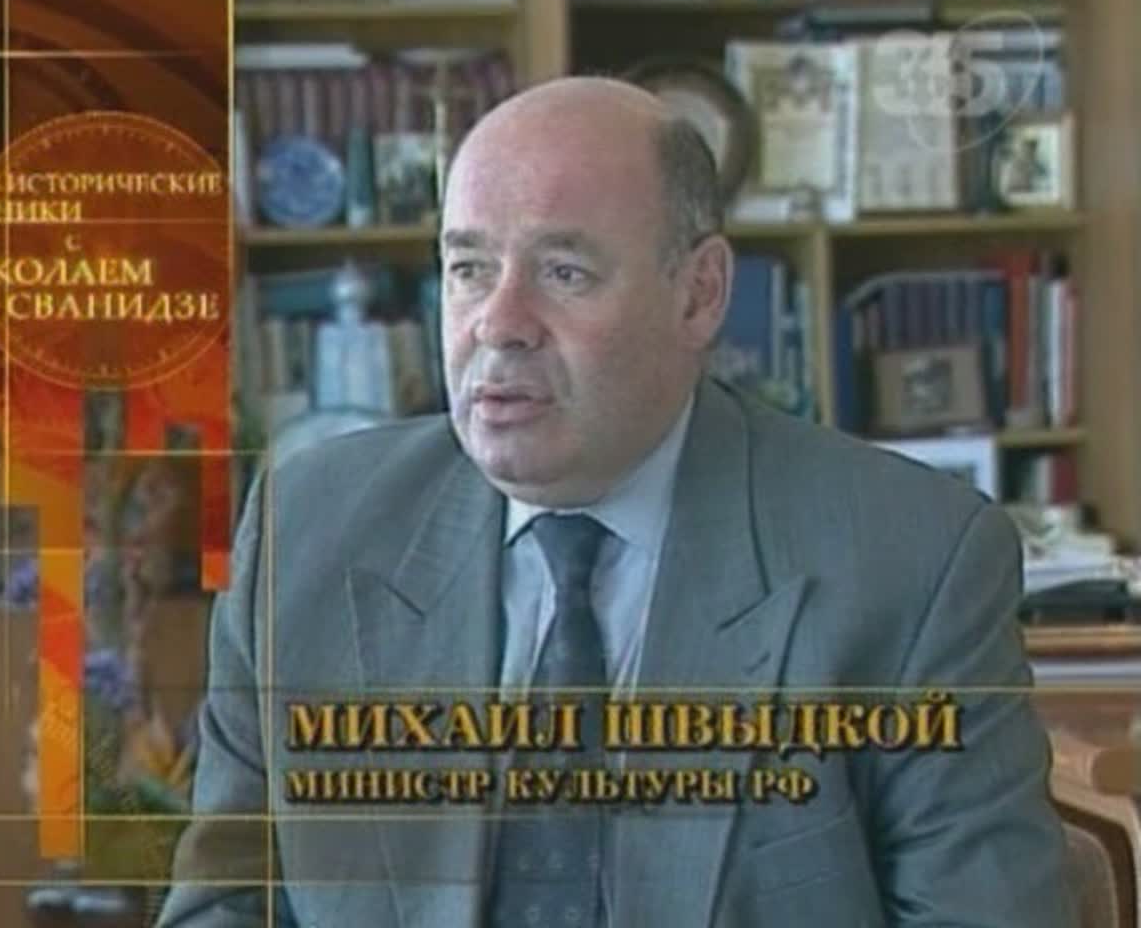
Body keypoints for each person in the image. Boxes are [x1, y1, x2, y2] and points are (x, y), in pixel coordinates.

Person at [157, 77, 1076, 927]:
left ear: (700, 294)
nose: (498, 324)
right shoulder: (308, 530)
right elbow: (225, 905)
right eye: (469, 268)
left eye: (564, 272)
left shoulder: (912, 561)